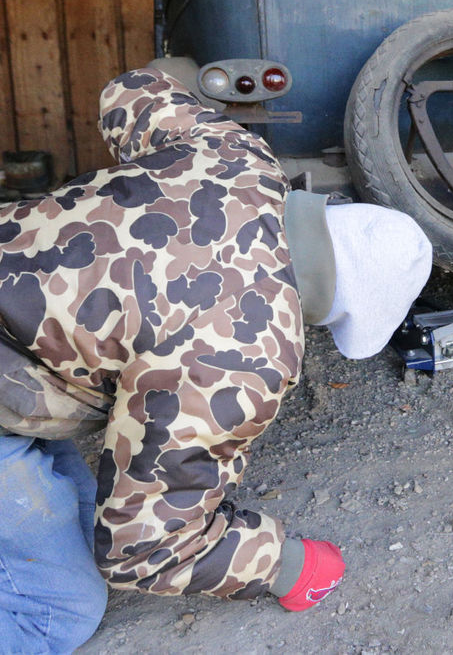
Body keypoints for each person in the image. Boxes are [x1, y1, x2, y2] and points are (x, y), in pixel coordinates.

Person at [0, 66, 431, 650]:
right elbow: (143, 549)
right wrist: (285, 564)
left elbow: (129, 90)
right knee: (60, 609)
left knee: (76, 508)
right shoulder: (250, 357)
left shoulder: (236, 154)